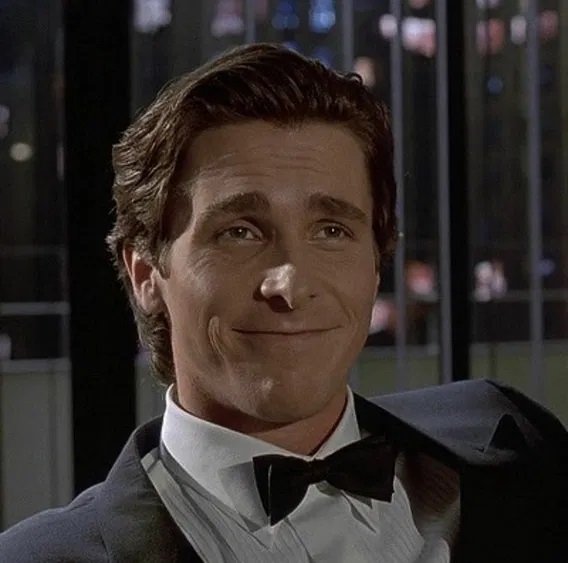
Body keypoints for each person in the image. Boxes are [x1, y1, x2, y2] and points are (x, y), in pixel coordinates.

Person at [1, 43, 567, 563]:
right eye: (239, 232)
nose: (290, 285)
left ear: (376, 263)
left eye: (332, 231)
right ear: (147, 273)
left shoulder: (516, 445)